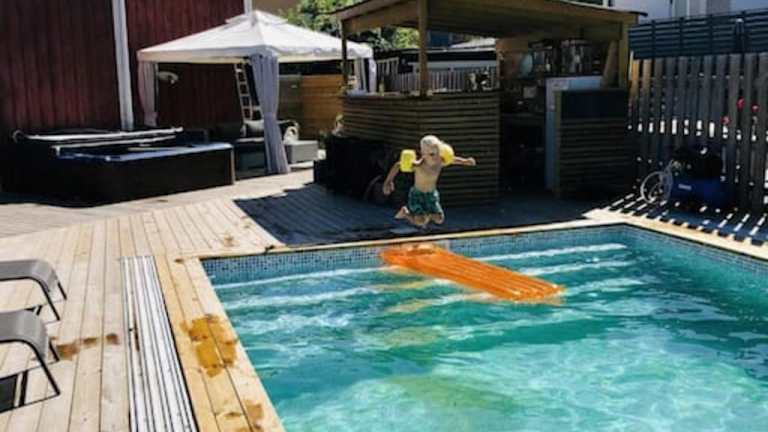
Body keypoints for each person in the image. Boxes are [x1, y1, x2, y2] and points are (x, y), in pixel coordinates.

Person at [382, 135, 476, 227]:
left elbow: (452, 160)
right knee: (420, 222)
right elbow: (398, 165)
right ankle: (405, 213)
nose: (436, 156)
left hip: (431, 195)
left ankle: (426, 215)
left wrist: (465, 161)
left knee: (439, 219)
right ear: (423, 154)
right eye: (432, 154)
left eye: (438, 153)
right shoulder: (418, 166)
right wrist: (388, 181)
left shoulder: (440, 162)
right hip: (417, 195)